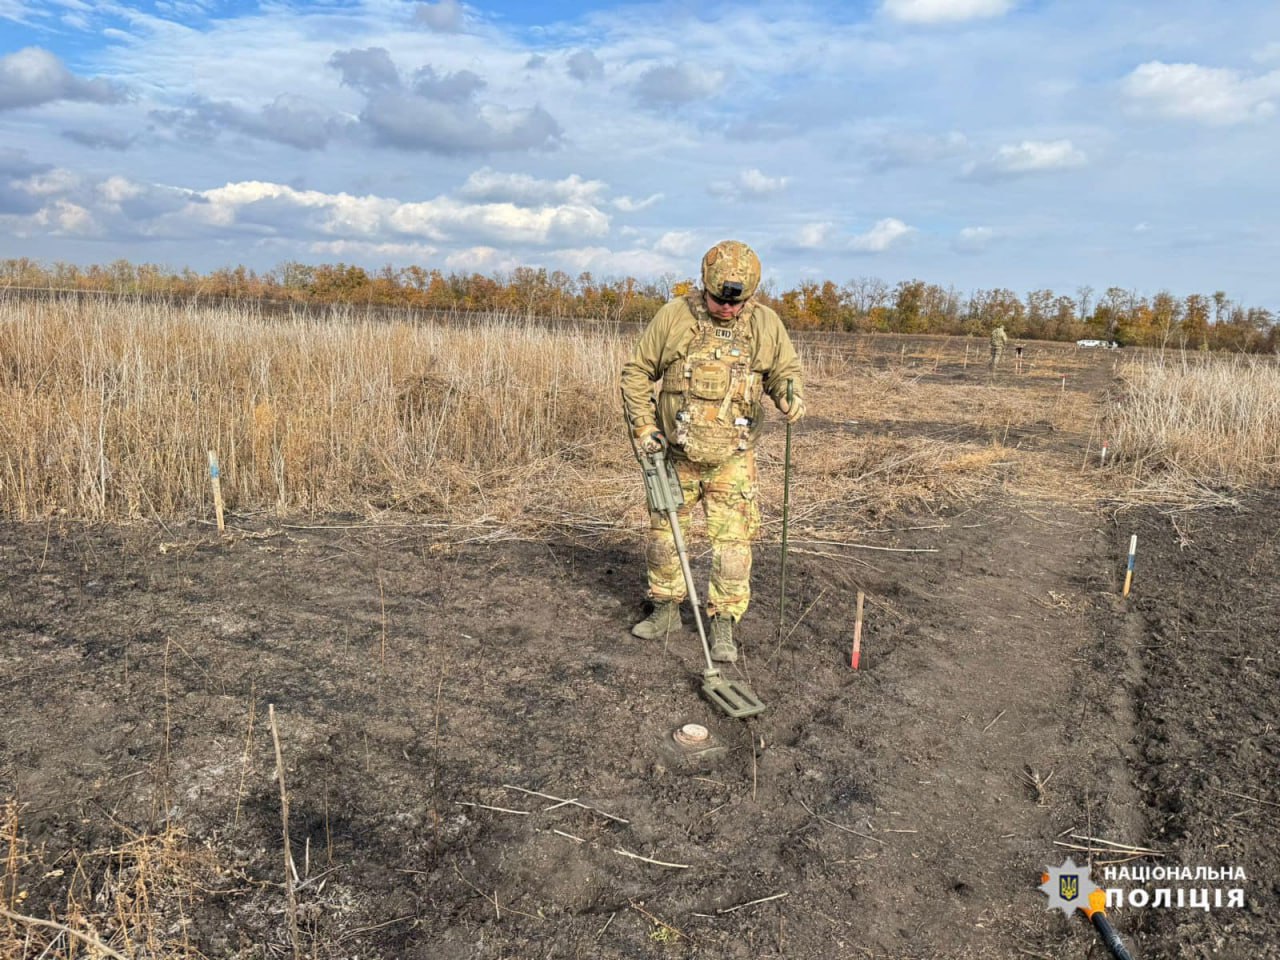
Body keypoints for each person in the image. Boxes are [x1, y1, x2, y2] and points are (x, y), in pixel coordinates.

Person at [620, 240, 804, 663]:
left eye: (736, 303)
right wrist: (645, 426)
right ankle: (665, 608)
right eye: (719, 300)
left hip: (733, 458)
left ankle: (723, 623)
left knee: (734, 546)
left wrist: (790, 396)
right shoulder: (675, 316)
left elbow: (784, 373)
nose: (727, 308)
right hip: (675, 454)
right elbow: (636, 373)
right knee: (664, 537)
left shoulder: (765, 324)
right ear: (705, 286)